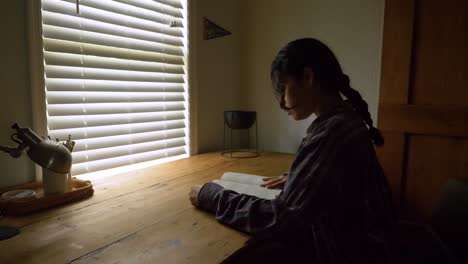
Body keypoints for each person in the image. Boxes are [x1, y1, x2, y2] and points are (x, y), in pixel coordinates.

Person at [189, 38, 398, 263]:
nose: (281, 102)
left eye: (283, 88)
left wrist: (213, 196)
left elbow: (281, 219)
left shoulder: (333, 131)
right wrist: (302, 181)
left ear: (308, 78)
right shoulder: (344, 119)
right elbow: (340, 184)